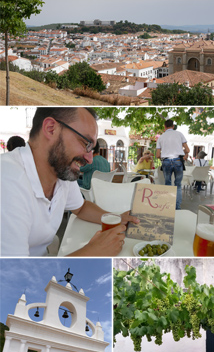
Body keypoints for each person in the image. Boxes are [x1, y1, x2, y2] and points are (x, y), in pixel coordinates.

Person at [0, 107, 139, 257]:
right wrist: (93, 251)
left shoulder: (60, 170)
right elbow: (13, 274)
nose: (90, 159)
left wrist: (116, 218)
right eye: (86, 143)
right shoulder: (7, 179)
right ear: (51, 129)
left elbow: (81, 208)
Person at [155, 119, 189, 210]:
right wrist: (182, 152)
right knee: (178, 185)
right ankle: (177, 207)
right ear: (173, 126)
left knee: (168, 184)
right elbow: (188, 150)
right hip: (178, 160)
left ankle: (168, 206)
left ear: (164, 127)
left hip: (166, 161)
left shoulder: (161, 137)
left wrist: (165, 154)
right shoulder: (179, 134)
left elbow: (158, 155)